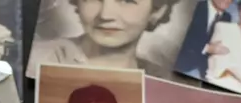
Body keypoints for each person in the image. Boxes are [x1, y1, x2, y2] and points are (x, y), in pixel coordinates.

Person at [37, 0, 181, 78]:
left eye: (127, 1)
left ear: (157, 10)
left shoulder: (165, 81)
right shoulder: (37, 60)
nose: (105, 15)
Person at [175, 0, 233, 79]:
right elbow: (180, 36)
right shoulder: (194, 6)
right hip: (179, 63)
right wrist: (208, 48)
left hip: (205, 71)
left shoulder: (227, 18)